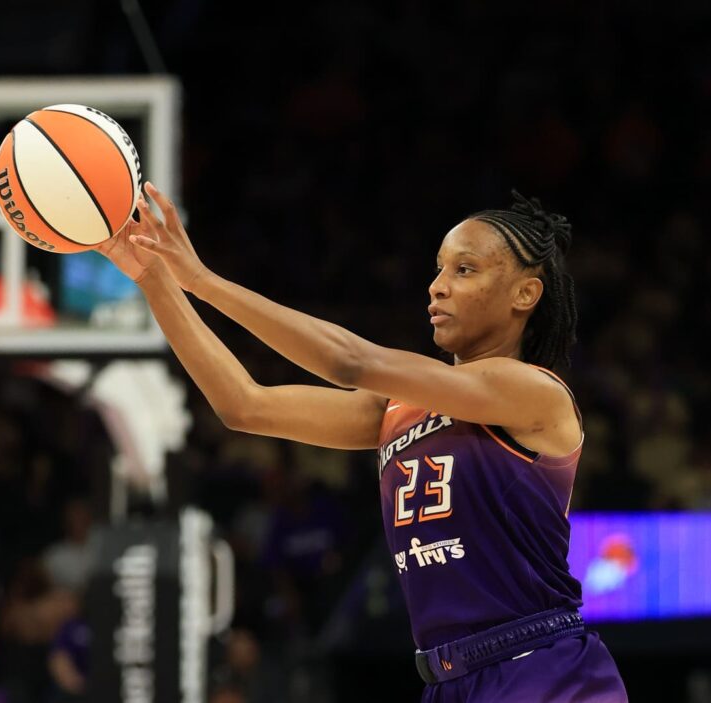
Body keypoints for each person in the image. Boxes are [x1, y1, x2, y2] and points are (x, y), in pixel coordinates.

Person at [97, 182, 628, 702]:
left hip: (540, 665)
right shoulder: (399, 409)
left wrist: (201, 280)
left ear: (525, 294)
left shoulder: (533, 392)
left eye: (464, 270)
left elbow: (349, 361)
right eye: (439, 268)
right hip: (449, 677)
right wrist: (154, 279)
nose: (437, 286)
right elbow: (244, 405)